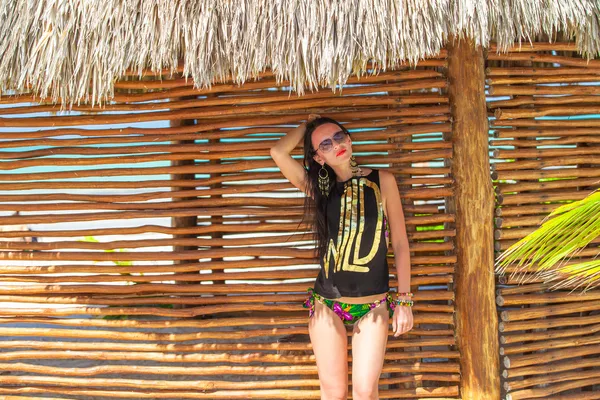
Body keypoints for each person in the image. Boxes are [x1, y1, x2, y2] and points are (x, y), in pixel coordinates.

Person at [270, 114, 413, 400]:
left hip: (373, 304)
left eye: (338, 136)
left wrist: (404, 300)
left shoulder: (383, 181)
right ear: (318, 158)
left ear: (349, 139)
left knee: (364, 392)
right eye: (325, 144)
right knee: (333, 393)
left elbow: (399, 242)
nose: (336, 145)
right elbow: (277, 152)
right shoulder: (320, 189)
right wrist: (307, 125)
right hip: (327, 304)